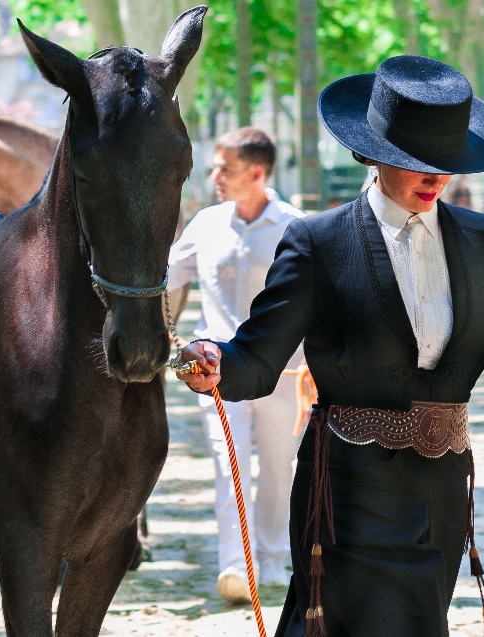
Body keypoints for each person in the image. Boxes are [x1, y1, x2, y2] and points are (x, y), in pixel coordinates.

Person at [175, 56, 484, 637]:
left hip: (443, 490)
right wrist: (214, 363)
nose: (434, 175)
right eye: (418, 161)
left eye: (446, 161)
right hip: (348, 487)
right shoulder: (316, 242)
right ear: (374, 151)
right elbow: (257, 358)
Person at [167, 127, 305, 603]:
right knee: (229, 467)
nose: (214, 177)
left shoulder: (296, 227)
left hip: (285, 375)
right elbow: (163, 279)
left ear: (258, 172)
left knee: (277, 467)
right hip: (216, 373)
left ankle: (271, 558)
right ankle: (235, 562)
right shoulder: (205, 225)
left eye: (224, 168)